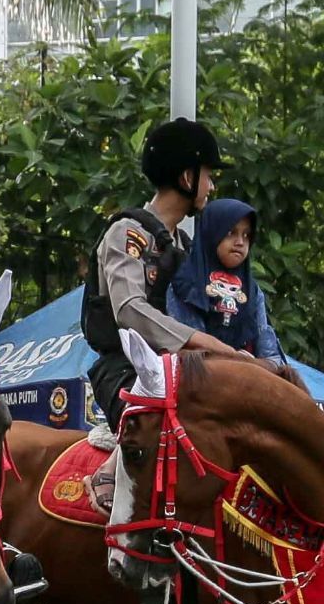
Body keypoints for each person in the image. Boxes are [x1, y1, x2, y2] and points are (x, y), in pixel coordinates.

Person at [80, 115, 250, 512]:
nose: (212, 185)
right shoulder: (128, 234)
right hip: (125, 369)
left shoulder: (187, 246)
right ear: (187, 177)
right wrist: (205, 344)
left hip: (181, 368)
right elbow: (129, 311)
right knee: (160, 431)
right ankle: (111, 479)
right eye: (208, 174)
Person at [166, 196, 288, 363]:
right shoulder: (186, 284)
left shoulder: (252, 291)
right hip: (198, 377)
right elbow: (191, 348)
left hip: (249, 377)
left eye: (246, 235)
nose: (240, 242)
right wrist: (235, 359)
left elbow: (271, 356)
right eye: (231, 233)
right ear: (212, 234)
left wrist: (258, 365)